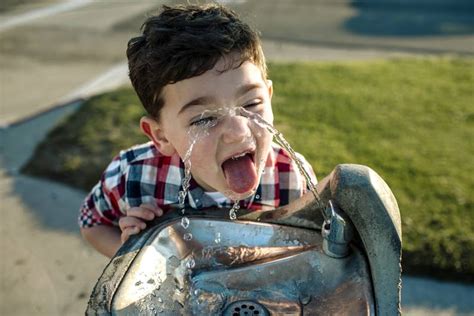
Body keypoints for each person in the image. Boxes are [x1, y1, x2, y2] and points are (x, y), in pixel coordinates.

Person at [79, 4, 316, 258]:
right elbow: (92, 222)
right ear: (161, 136)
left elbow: (313, 248)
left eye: (251, 104)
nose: (237, 131)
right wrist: (135, 259)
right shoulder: (135, 176)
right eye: (204, 119)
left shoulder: (291, 177)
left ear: (268, 96)